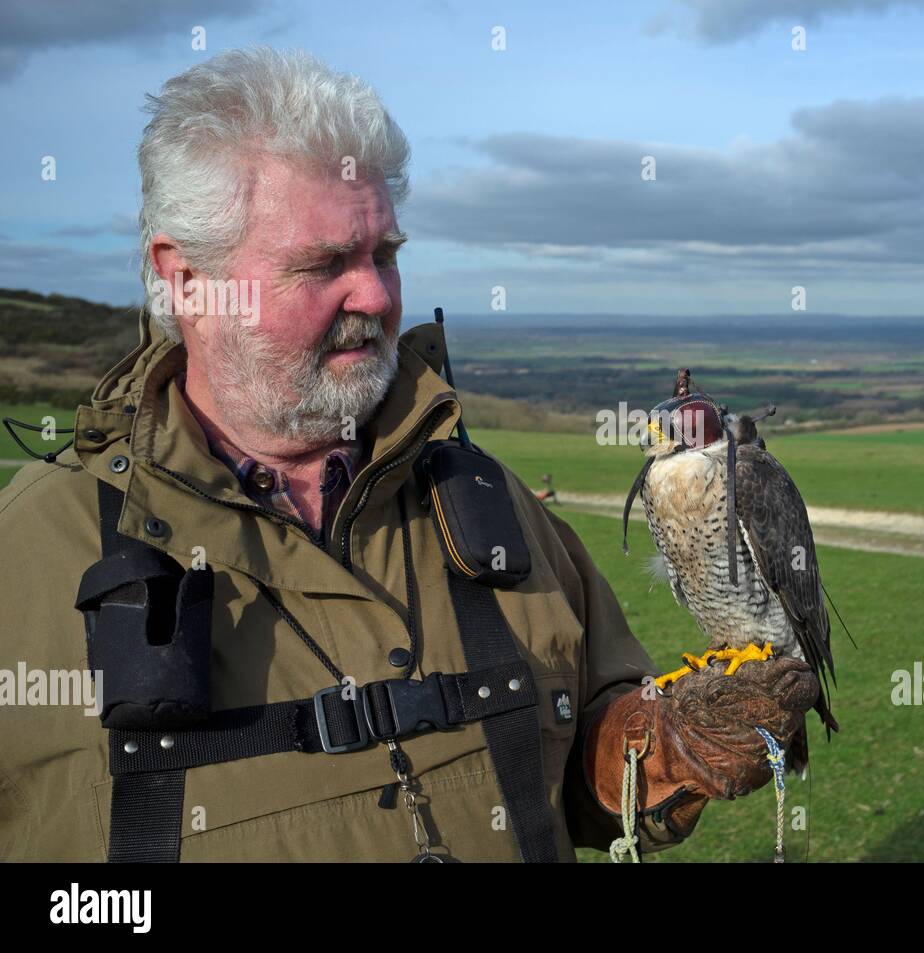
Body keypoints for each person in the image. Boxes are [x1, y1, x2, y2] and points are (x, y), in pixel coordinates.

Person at [0, 47, 818, 862]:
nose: (377, 296)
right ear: (186, 281)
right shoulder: (35, 552)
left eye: (384, 254)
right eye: (324, 264)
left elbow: (580, 756)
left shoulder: (488, 504)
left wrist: (657, 744)